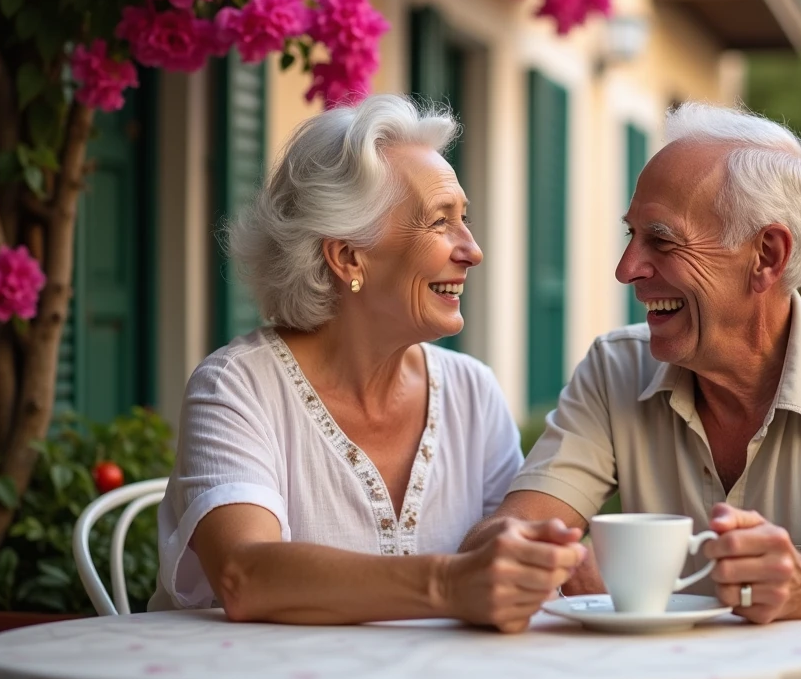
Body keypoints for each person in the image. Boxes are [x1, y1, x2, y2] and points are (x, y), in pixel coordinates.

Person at [463, 103, 801, 679]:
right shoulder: (614, 371)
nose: (627, 269)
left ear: (767, 256)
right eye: (632, 235)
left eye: (661, 240)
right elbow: (505, 534)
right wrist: (538, 556)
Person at [150, 95, 585, 631]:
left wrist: (547, 558)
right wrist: (448, 584)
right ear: (348, 256)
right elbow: (245, 575)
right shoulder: (237, 387)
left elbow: (509, 553)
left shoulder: (473, 391)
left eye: (464, 219)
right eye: (439, 222)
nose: (472, 250)